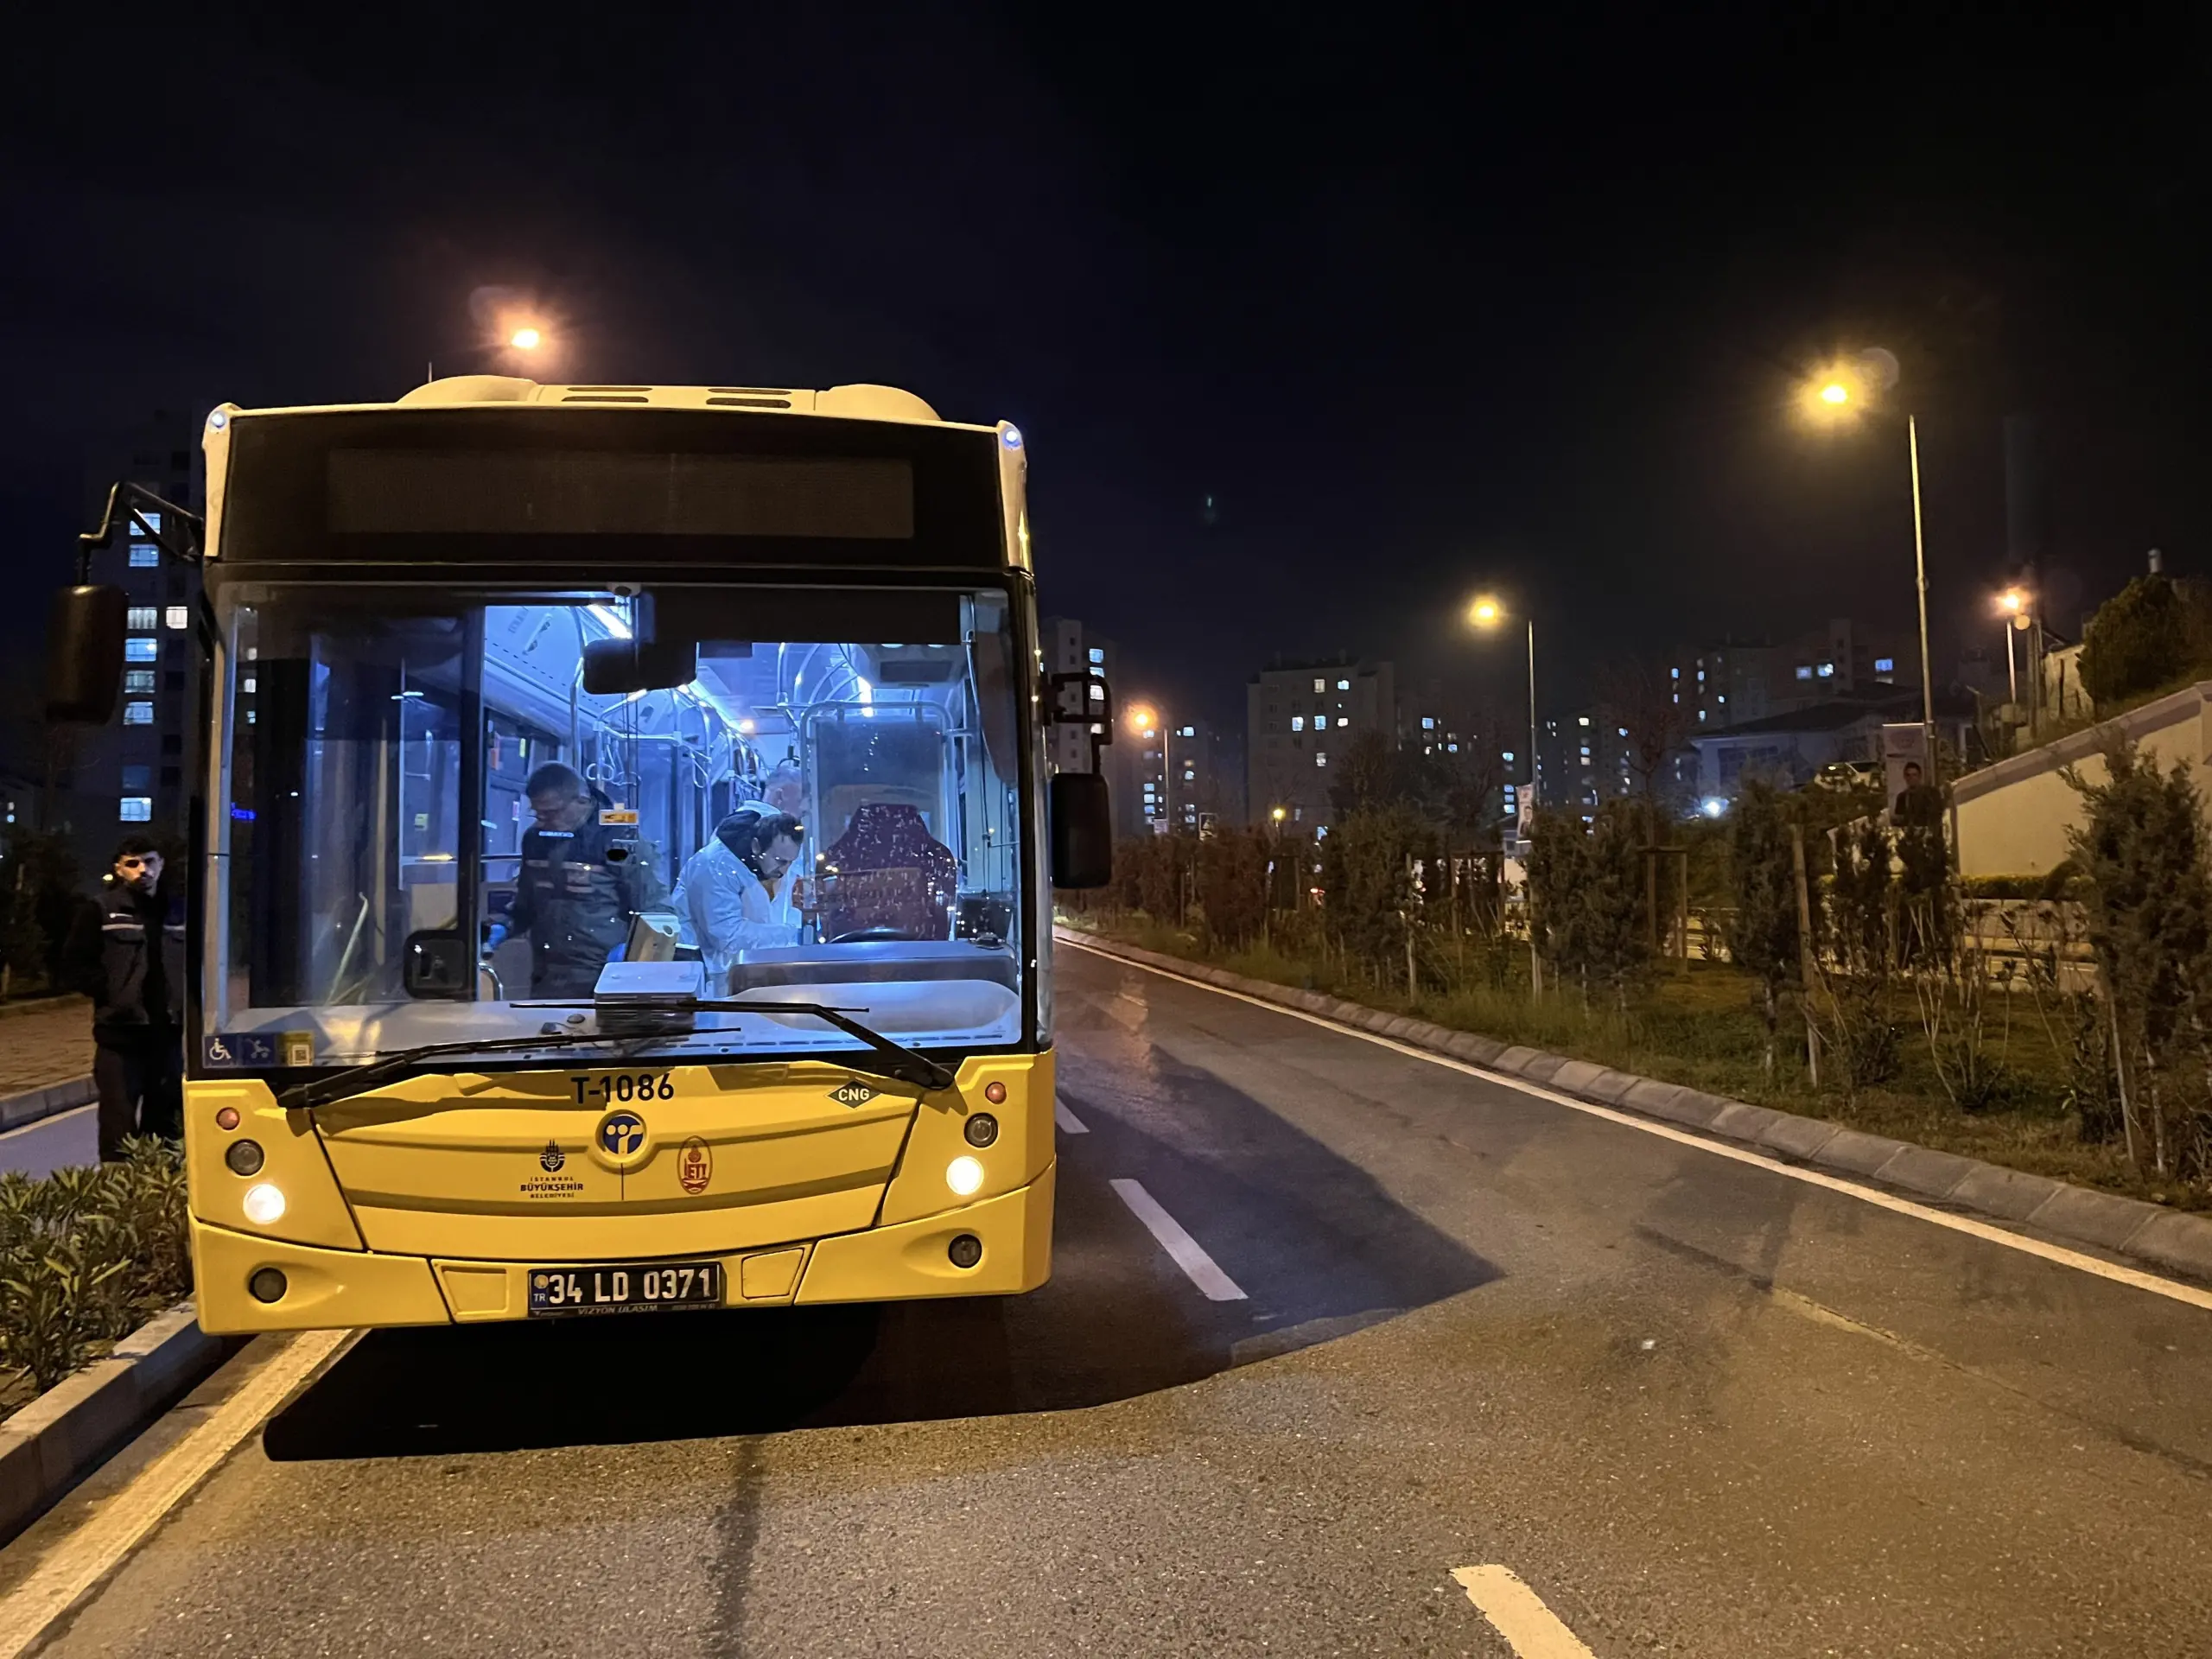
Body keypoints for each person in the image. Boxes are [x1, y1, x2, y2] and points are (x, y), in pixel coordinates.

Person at [489, 762, 667, 998]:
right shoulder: (535, 840)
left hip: (605, 975)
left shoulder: (619, 839)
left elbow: (656, 910)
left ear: (582, 802)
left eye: (552, 813)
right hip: (547, 974)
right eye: (538, 814)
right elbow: (527, 905)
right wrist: (504, 926)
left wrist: (635, 953)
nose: (543, 821)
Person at [64, 836, 184, 1160]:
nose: (142, 870)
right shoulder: (100, 910)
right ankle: (120, 1197)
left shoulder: (179, 911)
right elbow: (74, 963)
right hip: (120, 1037)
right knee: (118, 1123)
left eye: (150, 861)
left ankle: (160, 1194)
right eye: (133, 863)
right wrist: (110, 993)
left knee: (167, 1124)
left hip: (168, 1035)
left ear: (161, 864)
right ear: (119, 869)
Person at [670, 808, 806, 988]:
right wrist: (794, 935)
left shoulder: (756, 863)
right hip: (700, 975)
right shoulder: (714, 867)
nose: (784, 870)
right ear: (756, 846)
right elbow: (728, 937)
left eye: (790, 862)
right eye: (780, 861)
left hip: (731, 971)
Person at [1892, 760, 1942, 828]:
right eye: (1908, 775)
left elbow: (1936, 816)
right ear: (1905, 777)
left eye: (1914, 775)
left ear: (1920, 776)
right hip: (1909, 834)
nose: (1911, 778)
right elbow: (1899, 819)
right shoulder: (1902, 797)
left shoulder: (1931, 793)